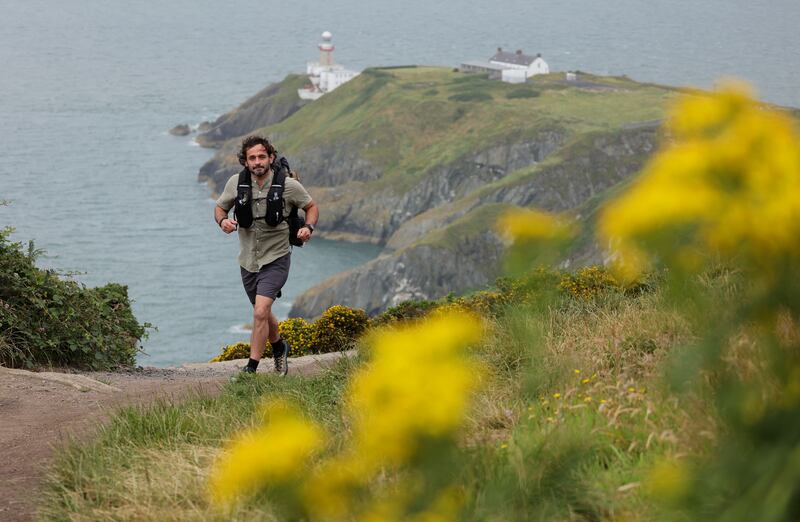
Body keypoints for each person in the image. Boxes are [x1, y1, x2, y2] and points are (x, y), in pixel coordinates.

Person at [215, 135, 319, 375]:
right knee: (263, 311)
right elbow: (220, 207)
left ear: (271, 158)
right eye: (252, 158)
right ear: (245, 161)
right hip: (248, 260)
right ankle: (280, 347)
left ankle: (251, 368)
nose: (257, 161)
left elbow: (311, 207)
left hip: (277, 257)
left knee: (260, 312)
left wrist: (308, 228)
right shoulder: (235, 183)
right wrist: (222, 221)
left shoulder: (288, 186)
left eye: (262, 156)